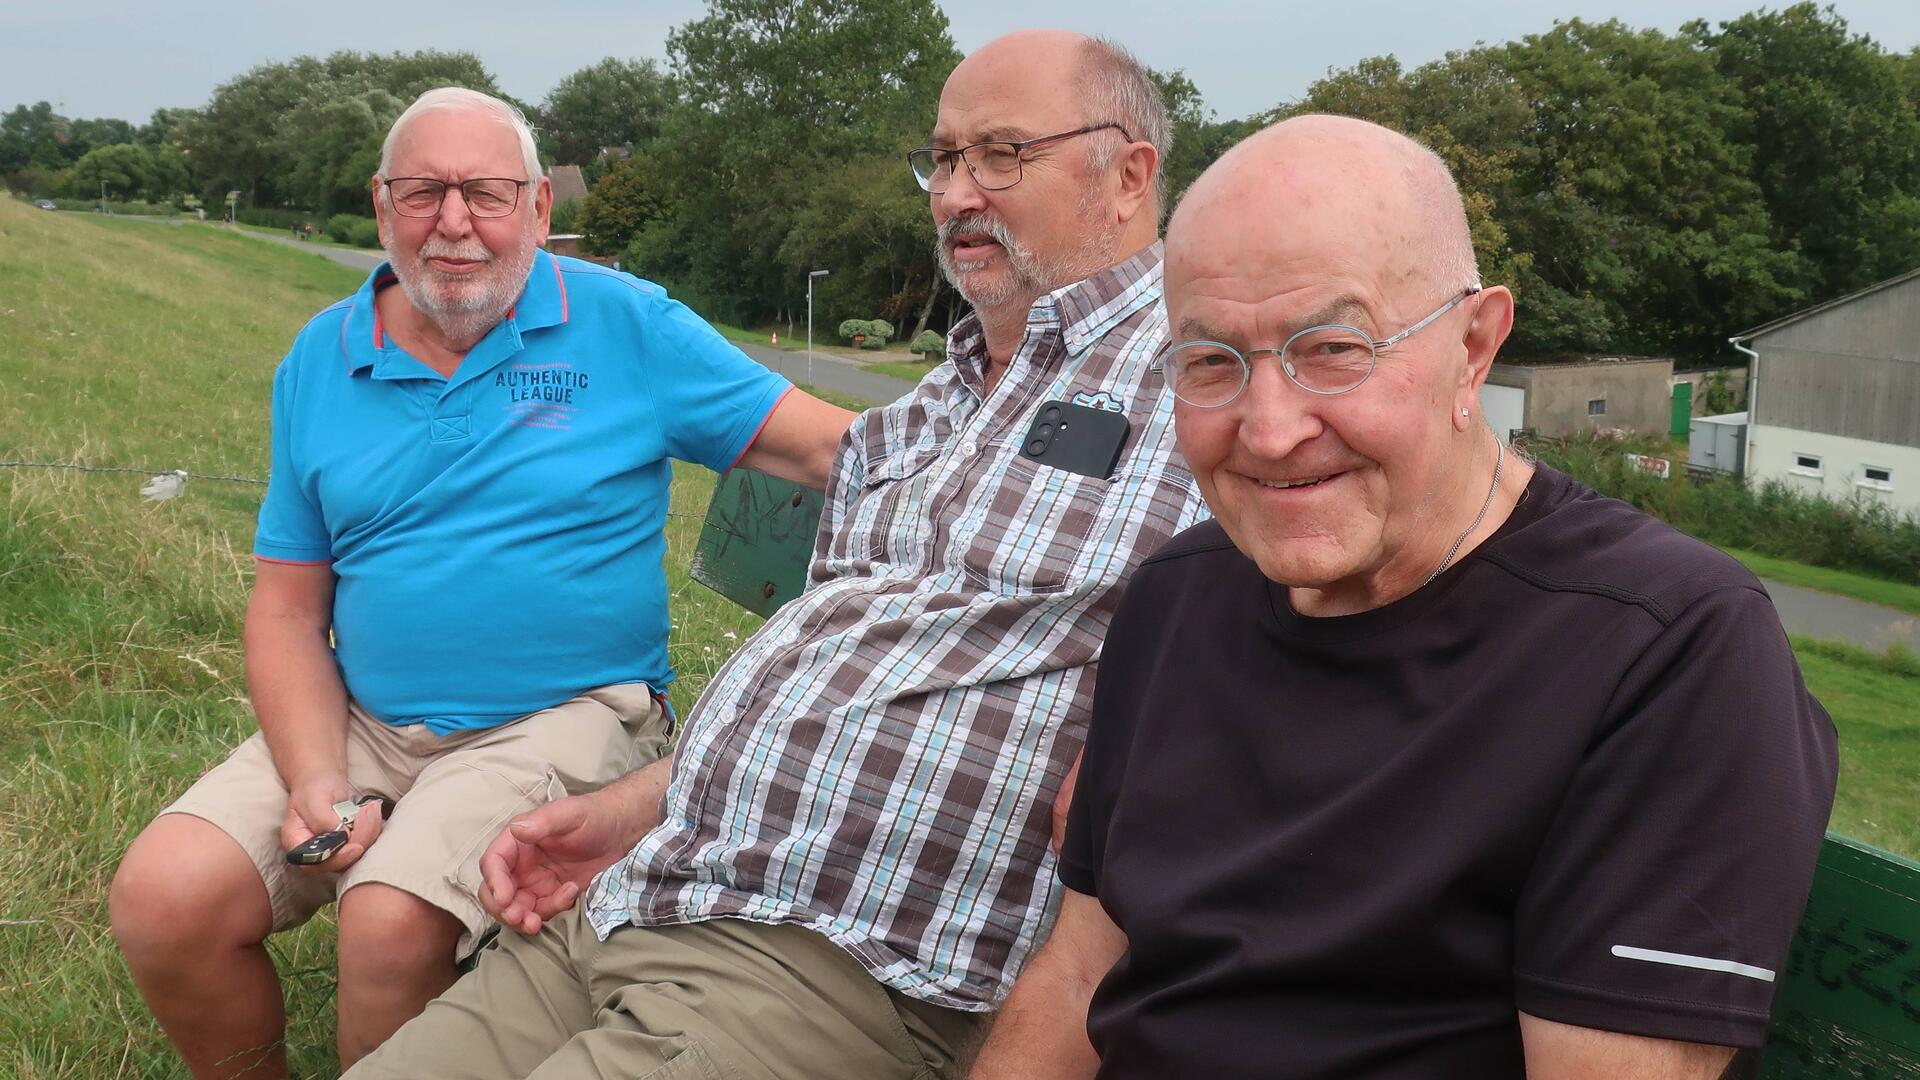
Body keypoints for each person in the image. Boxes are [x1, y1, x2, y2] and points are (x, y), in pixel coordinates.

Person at [349, 31, 1206, 1080]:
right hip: (648, 890)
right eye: (942, 159)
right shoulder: (941, 398)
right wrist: (632, 809)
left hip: (832, 964)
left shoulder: (1210, 393)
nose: (953, 195)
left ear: (1129, 174)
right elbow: (836, 661)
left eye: (1000, 155)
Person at [974, 114, 1840, 1079]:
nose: (1267, 430)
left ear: (1474, 346)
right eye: (1210, 362)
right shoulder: (1177, 597)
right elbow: (1077, 975)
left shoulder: (1663, 646)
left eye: (1334, 348)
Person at [108, 87, 853, 1078]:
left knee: (385, 922)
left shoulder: (628, 326)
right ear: (381, 207)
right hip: (368, 720)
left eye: (486, 193)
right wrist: (319, 781)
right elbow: (289, 609)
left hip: (567, 714)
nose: (454, 221)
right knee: (164, 898)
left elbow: (834, 451)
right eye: (424, 192)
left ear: (540, 209)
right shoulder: (321, 359)